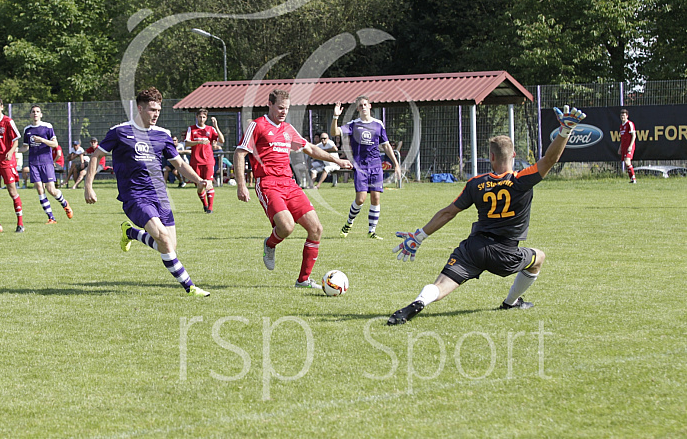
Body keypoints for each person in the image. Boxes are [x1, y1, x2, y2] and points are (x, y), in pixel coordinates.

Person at [387, 105, 586, 325]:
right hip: (505, 254)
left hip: (474, 249)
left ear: (491, 157)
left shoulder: (476, 183)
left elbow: (448, 213)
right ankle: (511, 302)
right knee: (538, 258)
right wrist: (565, 131)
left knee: (442, 284)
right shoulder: (522, 179)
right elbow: (550, 159)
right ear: (514, 155)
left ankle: (419, 302)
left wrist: (418, 237)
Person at [84, 87, 211, 297]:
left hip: (160, 195)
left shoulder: (162, 135)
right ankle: (190, 287)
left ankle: (131, 233)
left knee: (169, 245)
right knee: (163, 238)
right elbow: (96, 155)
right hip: (135, 195)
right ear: (140, 108)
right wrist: (88, 186)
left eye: (158, 110)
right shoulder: (120, 131)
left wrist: (198, 180)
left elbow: (178, 163)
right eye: (152, 109)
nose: (156, 114)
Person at [234, 89, 352, 289]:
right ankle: (270, 244)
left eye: (286, 109)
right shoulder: (257, 126)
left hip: (289, 183)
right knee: (287, 227)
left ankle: (303, 280)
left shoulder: (288, 129)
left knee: (316, 229)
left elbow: (311, 149)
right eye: (280, 108)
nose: (283, 112)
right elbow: (239, 153)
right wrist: (241, 185)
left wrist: (336, 159)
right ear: (269, 104)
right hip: (268, 183)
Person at [331, 96, 401, 240]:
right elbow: (334, 133)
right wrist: (335, 117)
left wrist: (396, 164)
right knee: (361, 199)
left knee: (376, 197)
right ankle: (349, 223)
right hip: (360, 165)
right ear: (358, 109)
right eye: (360, 105)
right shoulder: (353, 124)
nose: (363, 107)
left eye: (365, 104)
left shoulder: (378, 124)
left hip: (375, 165)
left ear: (369, 106)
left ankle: (372, 231)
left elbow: (386, 145)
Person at [19, 105, 73, 224]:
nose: (35, 113)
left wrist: (42, 140)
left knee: (51, 190)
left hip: (46, 162)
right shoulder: (27, 129)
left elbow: (55, 144)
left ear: (41, 114)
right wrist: (13, 150)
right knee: (39, 188)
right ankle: (51, 217)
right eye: (33, 112)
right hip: (33, 163)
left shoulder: (47, 127)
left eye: (37, 111)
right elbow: (25, 147)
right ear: (30, 115)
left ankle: (64, 203)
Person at [185, 110, 224, 213]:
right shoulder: (191, 129)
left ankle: (210, 208)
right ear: (196, 117)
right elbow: (187, 143)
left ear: (206, 118)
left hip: (208, 161)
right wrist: (199, 141)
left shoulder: (210, 129)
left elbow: (221, 140)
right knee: (200, 185)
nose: (201, 119)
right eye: (200, 117)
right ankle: (205, 205)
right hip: (195, 161)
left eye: (203, 117)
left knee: (208, 183)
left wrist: (216, 126)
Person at [0, 96, 25, 233]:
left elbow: (16, 141)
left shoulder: (8, 122)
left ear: (1, 107)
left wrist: (11, 152)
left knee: (12, 192)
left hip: (6, 163)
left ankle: (20, 223)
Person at [618, 108, 637, 184]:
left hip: (629, 146)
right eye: (621, 115)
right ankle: (632, 179)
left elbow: (634, 135)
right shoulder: (621, 126)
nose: (622, 117)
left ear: (627, 116)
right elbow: (622, 138)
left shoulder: (629, 124)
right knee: (626, 162)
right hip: (624, 146)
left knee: (627, 161)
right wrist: (620, 148)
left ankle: (633, 179)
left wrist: (630, 146)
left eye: (624, 115)